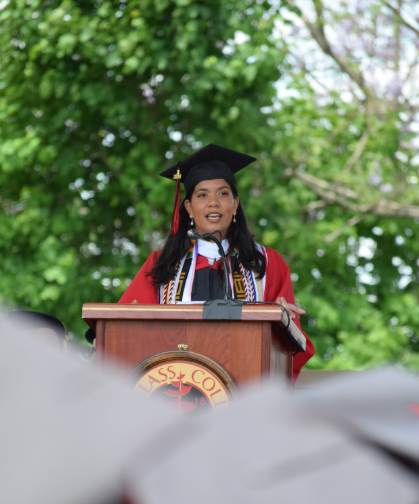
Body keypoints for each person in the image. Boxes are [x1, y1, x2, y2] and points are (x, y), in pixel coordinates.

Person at [118, 144, 314, 382]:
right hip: (174, 391)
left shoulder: (267, 264)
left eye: (222, 194)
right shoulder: (162, 265)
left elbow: (291, 350)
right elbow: (122, 333)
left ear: (235, 204)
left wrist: (284, 323)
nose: (213, 202)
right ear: (189, 208)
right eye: (202, 195)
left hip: (245, 393)